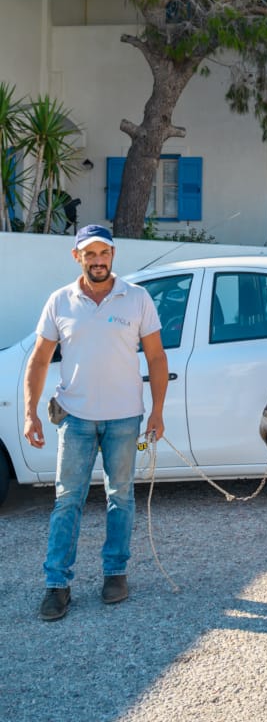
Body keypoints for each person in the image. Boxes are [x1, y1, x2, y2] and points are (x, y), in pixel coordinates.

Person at [24, 224, 168, 621]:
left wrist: (156, 411)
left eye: (103, 253)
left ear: (113, 256)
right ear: (78, 257)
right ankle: (57, 585)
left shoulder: (136, 299)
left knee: (120, 498)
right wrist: (29, 412)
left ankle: (115, 574)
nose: (98, 260)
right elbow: (39, 360)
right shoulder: (60, 301)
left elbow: (156, 358)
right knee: (67, 501)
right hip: (75, 419)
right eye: (90, 254)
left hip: (125, 417)